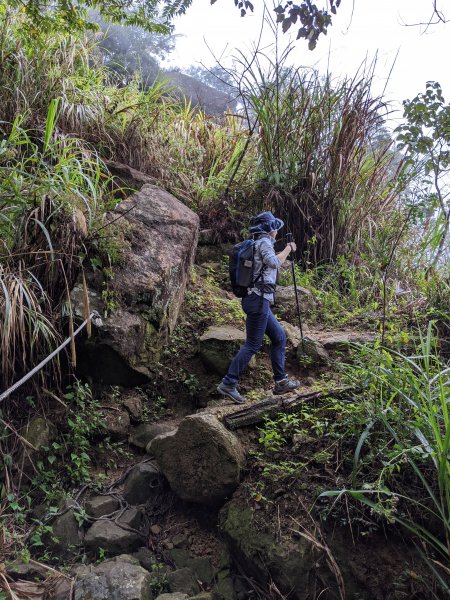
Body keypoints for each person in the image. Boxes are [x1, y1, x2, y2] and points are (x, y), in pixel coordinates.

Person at [217, 211, 300, 404]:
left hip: (259, 300)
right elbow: (273, 262)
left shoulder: (261, 243)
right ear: (270, 229)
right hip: (258, 300)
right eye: (275, 228)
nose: (277, 231)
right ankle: (228, 383)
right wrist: (288, 249)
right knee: (253, 344)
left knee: (279, 336)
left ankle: (280, 382)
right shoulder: (263, 242)